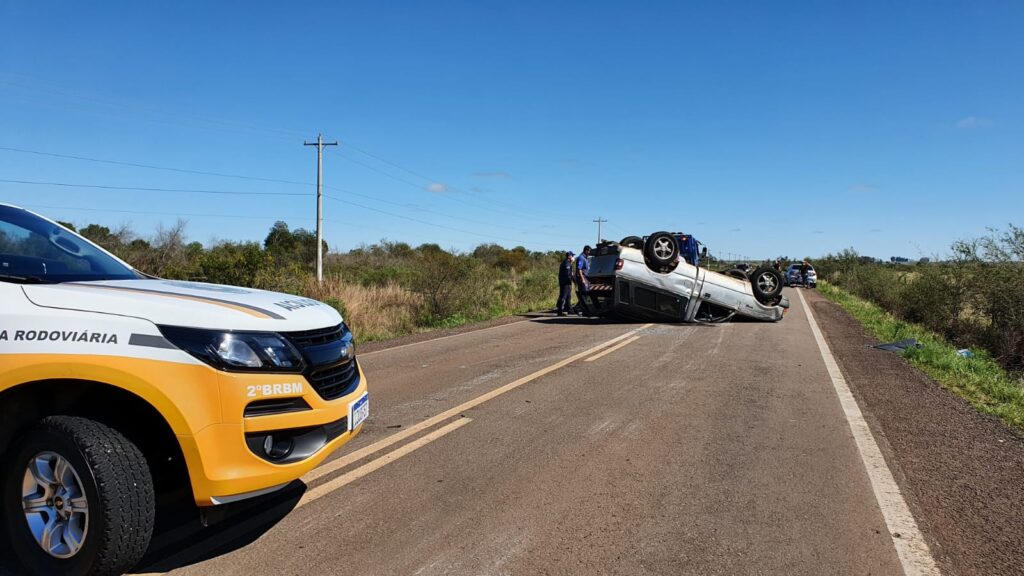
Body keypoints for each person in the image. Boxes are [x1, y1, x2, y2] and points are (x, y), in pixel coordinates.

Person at [573, 245, 592, 314]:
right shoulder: (581, 258)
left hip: (586, 278)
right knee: (584, 294)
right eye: (589, 251)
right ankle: (581, 309)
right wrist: (582, 279)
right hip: (582, 278)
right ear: (586, 250)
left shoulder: (585, 258)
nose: (589, 253)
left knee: (584, 294)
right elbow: (579, 269)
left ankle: (578, 308)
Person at [556, 251, 575, 316]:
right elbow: (568, 275)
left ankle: (569, 310)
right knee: (563, 297)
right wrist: (572, 280)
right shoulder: (567, 263)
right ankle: (559, 311)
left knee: (568, 297)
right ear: (569, 256)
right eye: (572, 256)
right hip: (565, 283)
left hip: (566, 283)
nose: (573, 257)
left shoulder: (568, 263)